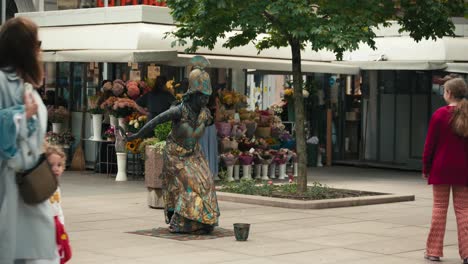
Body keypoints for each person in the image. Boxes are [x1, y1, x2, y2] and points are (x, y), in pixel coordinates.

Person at [120, 56, 220, 234]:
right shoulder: (179, 110)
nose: (205, 101)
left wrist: (205, 119)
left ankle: (204, 220)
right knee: (191, 183)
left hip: (194, 152)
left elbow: (199, 134)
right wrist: (136, 135)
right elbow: (154, 122)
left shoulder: (204, 112)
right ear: (193, 94)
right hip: (176, 154)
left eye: (207, 97)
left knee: (206, 181)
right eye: (202, 97)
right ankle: (183, 221)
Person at [0, 17, 58, 263]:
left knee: (36, 251)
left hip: (32, 184)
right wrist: (21, 115)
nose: (40, 50)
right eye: (37, 43)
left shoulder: (27, 85)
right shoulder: (2, 82)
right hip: (10, 185)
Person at [422, 77, 468, 263]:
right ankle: (467, 253)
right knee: (464, 211)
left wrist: (426, 167)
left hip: (440, 169)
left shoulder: (440, 115)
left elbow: (429, 145)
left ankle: (433, 251)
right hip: (463, 170)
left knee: (439, 209)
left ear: (449, 93)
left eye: (444, 91)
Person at [45, 145, 71, 264]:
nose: (56, 168)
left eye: (59, 165)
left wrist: (61, 224)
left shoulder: (56, 187)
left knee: (60, 252)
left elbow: (58, 208)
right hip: (45, 225)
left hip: (56, 225)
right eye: (51, 165)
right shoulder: (43, 187)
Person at [199, 85, 219, 179]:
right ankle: (209, 171)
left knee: (203, 148)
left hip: (203, 127)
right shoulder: (214, 100)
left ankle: (204, 171)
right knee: (209, 148)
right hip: (210, 127)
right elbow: (218, 116)